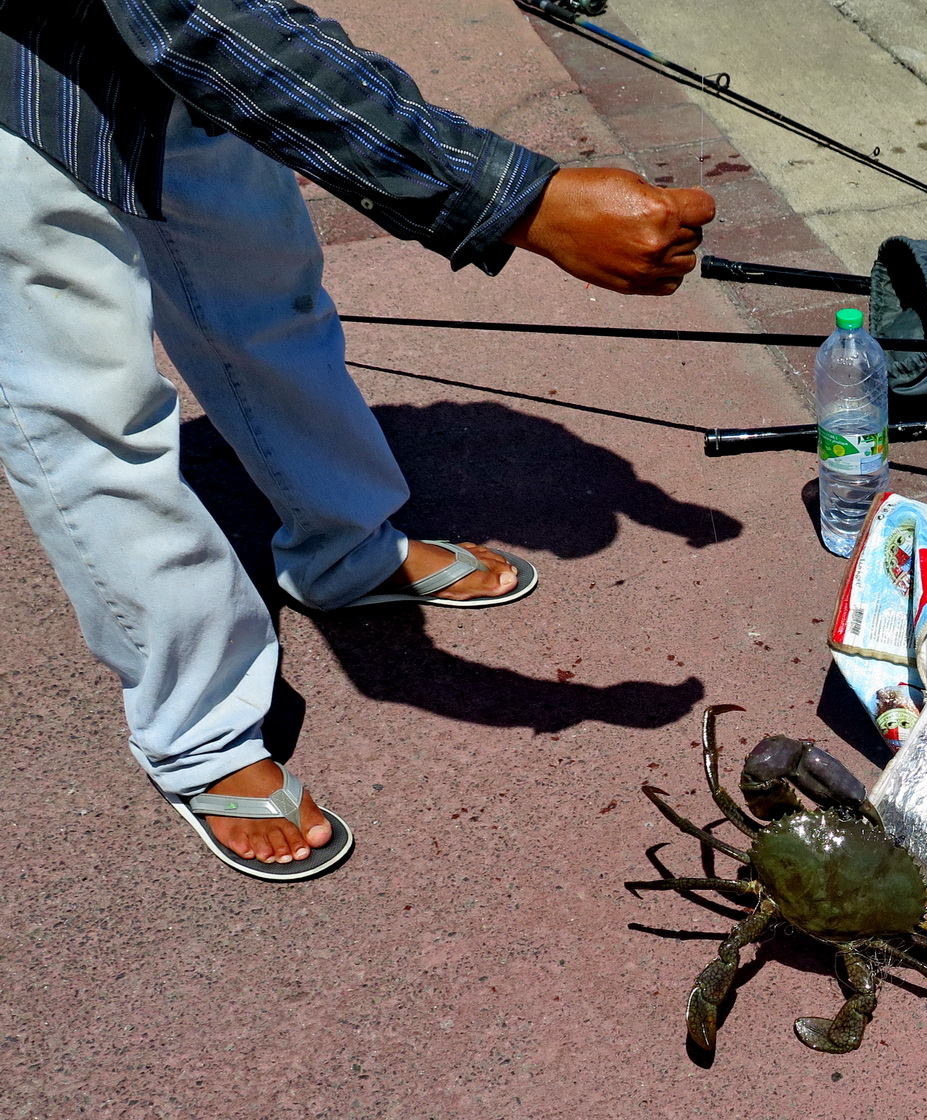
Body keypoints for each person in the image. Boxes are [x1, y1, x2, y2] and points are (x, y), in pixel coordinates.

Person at [0, 1, 715, 879]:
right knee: (87, 412)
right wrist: (517, 199)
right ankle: (197, 731)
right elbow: (187, 14)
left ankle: (345, 549)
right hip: (26, 78)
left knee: (268, 301)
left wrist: (651, 501)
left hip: (188, 68)